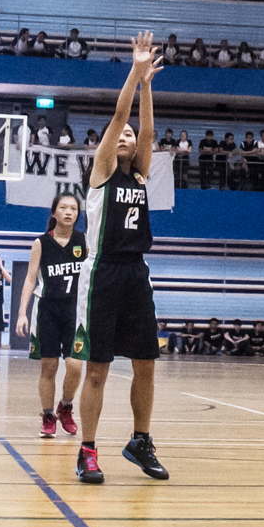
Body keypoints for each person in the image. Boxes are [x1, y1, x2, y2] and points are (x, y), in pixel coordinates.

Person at [72, 31, 167, 485]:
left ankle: (140, 440)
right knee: (98, 368)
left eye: (130, 136)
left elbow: (146, 129)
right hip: (103, 272)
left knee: (146, 362)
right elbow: (121, 116)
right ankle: (87, 450)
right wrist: (135, 69)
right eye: (122, 136)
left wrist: (150, 84)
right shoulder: (103, 172)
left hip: (136, 274)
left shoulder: (142, 174)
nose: (128, 136)